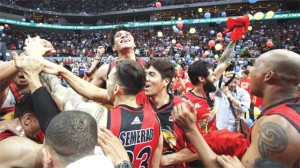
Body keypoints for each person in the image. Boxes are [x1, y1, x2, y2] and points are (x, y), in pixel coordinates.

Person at [13, 48, 163, 168]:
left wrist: (34, 56)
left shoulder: (102, 118)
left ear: (116, 88)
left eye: (109, 80)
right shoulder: (155, 118)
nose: (107, 83)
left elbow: (57, 91)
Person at [172, 49, 300, 168]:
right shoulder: (284, 114)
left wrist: (191, 130)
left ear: (268, 76)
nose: (249, 71)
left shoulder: (277, 125)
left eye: (255, 66)